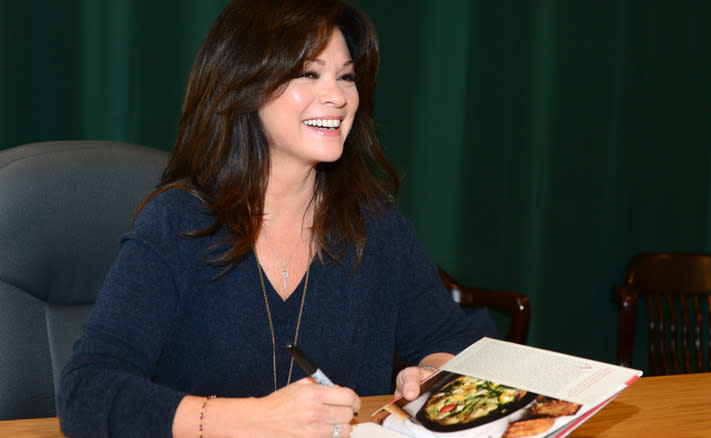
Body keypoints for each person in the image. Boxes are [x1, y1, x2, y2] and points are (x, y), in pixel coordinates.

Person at [57, 0, 481, 437]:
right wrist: (255, 420)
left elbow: (451, 341)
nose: (337, 96)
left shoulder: (374, 224)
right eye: (308, 73)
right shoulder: (178, 222)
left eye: (346, 76)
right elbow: (87, 392)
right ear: (245, 83)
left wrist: (435, 373)